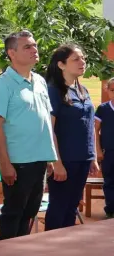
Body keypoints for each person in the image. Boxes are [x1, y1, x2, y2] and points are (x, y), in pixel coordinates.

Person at [0, 31, 57, 240]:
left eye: (34, 45)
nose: (34, 50)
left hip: (39, 159)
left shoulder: (40, 81)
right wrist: (4, 162)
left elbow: (45, 120)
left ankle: (20, 253)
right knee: (14, 212)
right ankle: (7, 255)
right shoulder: (2, 85)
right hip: (18, 162)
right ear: (11, 53)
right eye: (27, 47)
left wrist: (49, 157)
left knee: (30, 211)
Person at [44, 44, 98, 230]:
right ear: (61, 65)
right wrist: (56, 162)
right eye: (76, 59)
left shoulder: (83, 90)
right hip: (65, 160)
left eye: (83, 58)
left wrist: (92, 156)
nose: (82, 62)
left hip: (83, 158)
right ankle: (51, 244)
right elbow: (49, 129)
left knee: (72, 206)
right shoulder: (53, 91)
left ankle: (66, 243)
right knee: (59, 207)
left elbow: (90, 125)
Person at [94, 78, 114, 219]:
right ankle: (111, 210)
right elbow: (95, 130)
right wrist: (98, 150)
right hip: (109, 152)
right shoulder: (103, 109)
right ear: (107, 91)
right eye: (113, 90)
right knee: (109, 181)